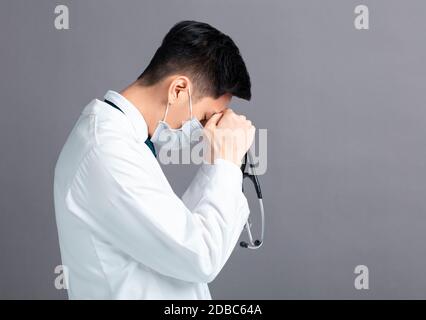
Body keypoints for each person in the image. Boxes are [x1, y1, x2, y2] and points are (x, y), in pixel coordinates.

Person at [53, 20, 255, 299]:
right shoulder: (107, 152)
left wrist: (215, 164)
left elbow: (174, 233)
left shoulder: (120, 140)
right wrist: (227, 164)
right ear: (178, 90)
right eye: (208, 117)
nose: (206, 132)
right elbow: (201, 256)